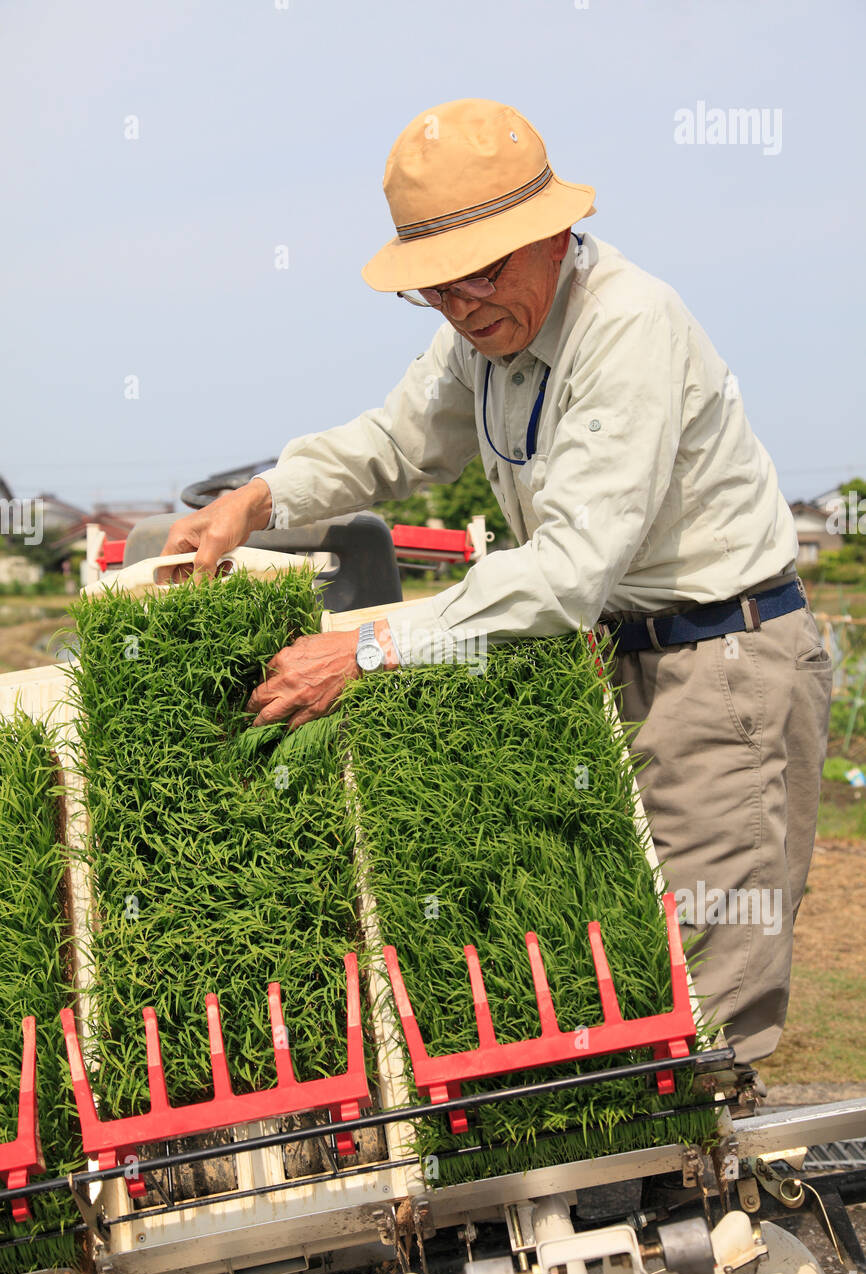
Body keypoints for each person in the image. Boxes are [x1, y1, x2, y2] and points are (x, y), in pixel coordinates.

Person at [163, 97, 832, 1069]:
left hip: (721, 669)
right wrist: (256, 500)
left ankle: (720, 1203)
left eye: (482, 272)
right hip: (631, 662)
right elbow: (396, 442)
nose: (463, 302)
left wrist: (364, 646)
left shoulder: (624, 325)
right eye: (435, 287)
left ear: (553, 232)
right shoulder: (483, 335)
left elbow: (566, 571)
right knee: (637, 955)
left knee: (703, 996)